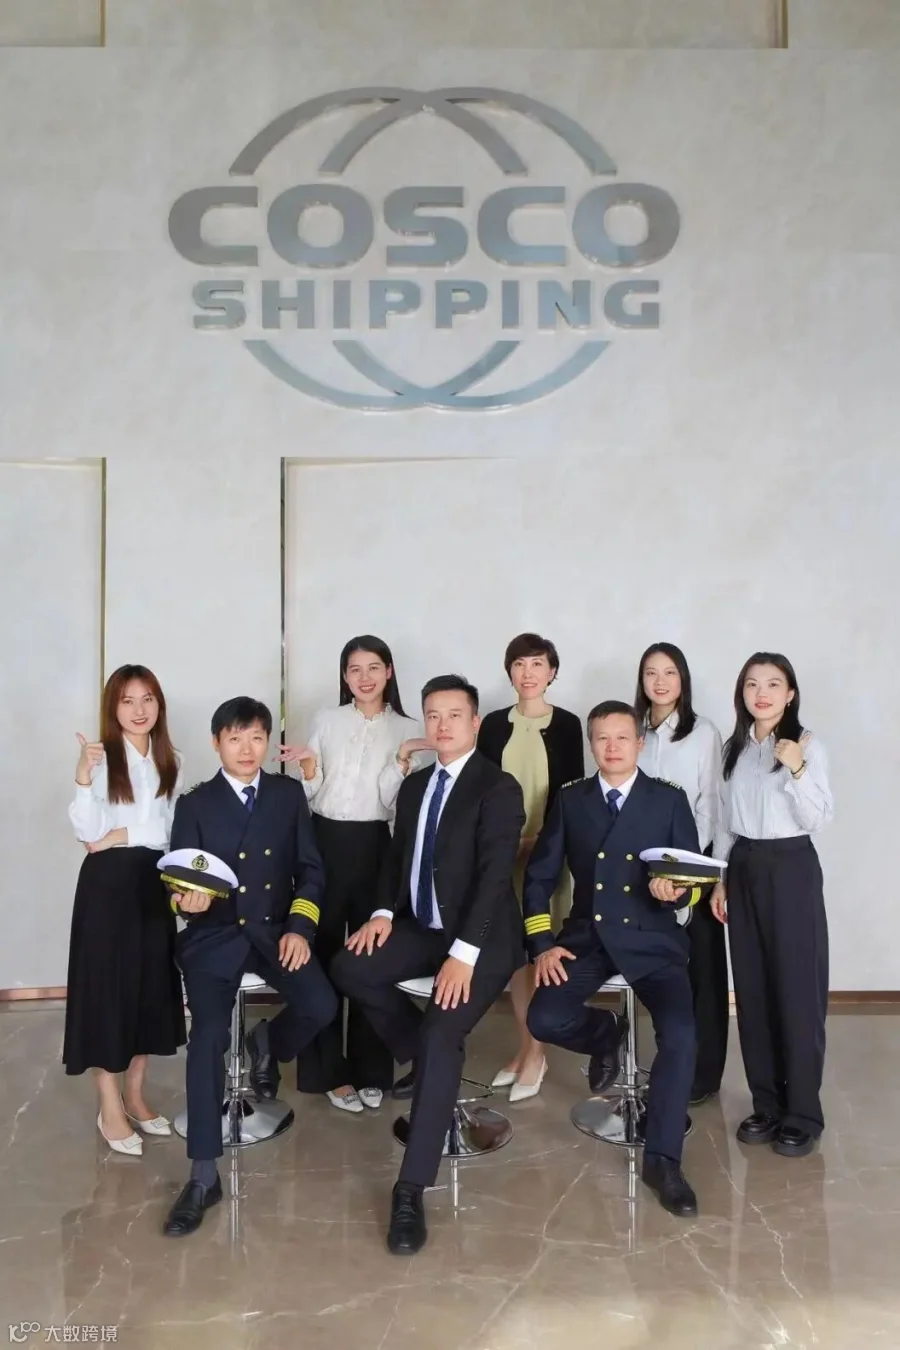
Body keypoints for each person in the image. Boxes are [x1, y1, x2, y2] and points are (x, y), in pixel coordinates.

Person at [331, 675, 525, 1255]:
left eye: (454, 715)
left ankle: (410, 1188)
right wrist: (381, 914)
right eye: (432, 715)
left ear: (475, 722)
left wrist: (463, 955)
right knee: (349, 967)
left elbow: (494, 877)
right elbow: (397, 860)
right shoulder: (416, 786)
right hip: (420, 927)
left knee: (443, 1030)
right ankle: (426, 1060)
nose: (442, 725)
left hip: (482, 939)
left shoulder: (498, 787)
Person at [162, 697, 338, 1238]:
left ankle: (265, 1044)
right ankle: (202, 1175)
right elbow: (178, 882)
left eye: (257, 738)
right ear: (216, 742)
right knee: (208, 1038)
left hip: (273, 932)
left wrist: (300, 929)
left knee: (321, 1005)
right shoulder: (195, 803)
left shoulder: (286, 795)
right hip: (214, 938)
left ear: (268, 743)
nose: (246, 749)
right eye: (235, 738)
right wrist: (186, 903)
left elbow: (311, 871)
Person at [524, 700, 702, 1217]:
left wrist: (677, 894)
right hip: (589, 936)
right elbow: (539, 876)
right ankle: (606, 1034)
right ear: (591, 744)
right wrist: (542, 942)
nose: (612, 747)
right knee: (544, 1017)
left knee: (681, 1035)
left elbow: (693, 879)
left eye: (622, 737)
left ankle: (663, 1160)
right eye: (601, 738)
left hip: (653, 938)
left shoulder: (668, 800)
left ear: (640, 743)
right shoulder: (571, 799)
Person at [280, 636, 429, 1114]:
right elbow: (311, 794)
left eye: (373, 668)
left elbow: (393, 806)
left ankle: (372, 1070)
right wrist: (308, 768)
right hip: (324, 841)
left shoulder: (411, 729)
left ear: (389, 672)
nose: (364, 678)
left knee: (368, 957)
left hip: (375, 845)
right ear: (344, 676)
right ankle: (327, 1072)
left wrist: (402, 761)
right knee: (320, 954)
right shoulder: (327, 719)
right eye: (354, 669)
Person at [711, 653, 833, 1159]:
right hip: (744, 865)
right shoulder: (734, 750)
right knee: (753, 989)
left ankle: (802, 1113)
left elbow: (819, 818)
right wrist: (721, 880)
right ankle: (766, 1104)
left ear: (790, 694)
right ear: (742, 693)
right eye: (752, 684)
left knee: (797, 990)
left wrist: (797, 768)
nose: (761, 693)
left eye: (773, 684)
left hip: (791, 866)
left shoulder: (806, 745)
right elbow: (723, 819)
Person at [65, 664, 186, 1156]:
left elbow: (172, 832)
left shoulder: (170, 759)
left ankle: (135, 1095)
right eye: (128, 700)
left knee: (147, 991)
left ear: (159, 705)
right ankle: (108, 1105)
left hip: (152, 884)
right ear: (113, 708)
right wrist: (82, 778)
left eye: (147, 699)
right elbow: (89, 834)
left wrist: (123, 833)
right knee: (108, 993)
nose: (139, 710)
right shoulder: (100, 758)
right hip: (107, 888)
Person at [477, 632, 584, 1101]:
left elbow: (572, 792)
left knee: (542, 951)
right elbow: (482, 788)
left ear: (552, 671)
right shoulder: (493, 725)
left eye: (537, 664)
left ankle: (536, 1055)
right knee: (515, 955)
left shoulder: (568, 724)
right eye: (520, 664)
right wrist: (505, 842)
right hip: (502, 853)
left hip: (548, 852)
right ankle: (524, 1048)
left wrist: (540, 842)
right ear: (509, 671)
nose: (528, 673)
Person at [635, 642, 727, 1106]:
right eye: (651, 673)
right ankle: (670, 1062)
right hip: (642, 870)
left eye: (669, 672)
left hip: (693, 866)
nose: (660, 681)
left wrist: (685, 864)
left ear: (683, 679)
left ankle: (703, 1075)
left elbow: (712, 802)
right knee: (660, 971)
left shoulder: (702, 732)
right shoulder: (633, 732)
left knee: (702, 974)